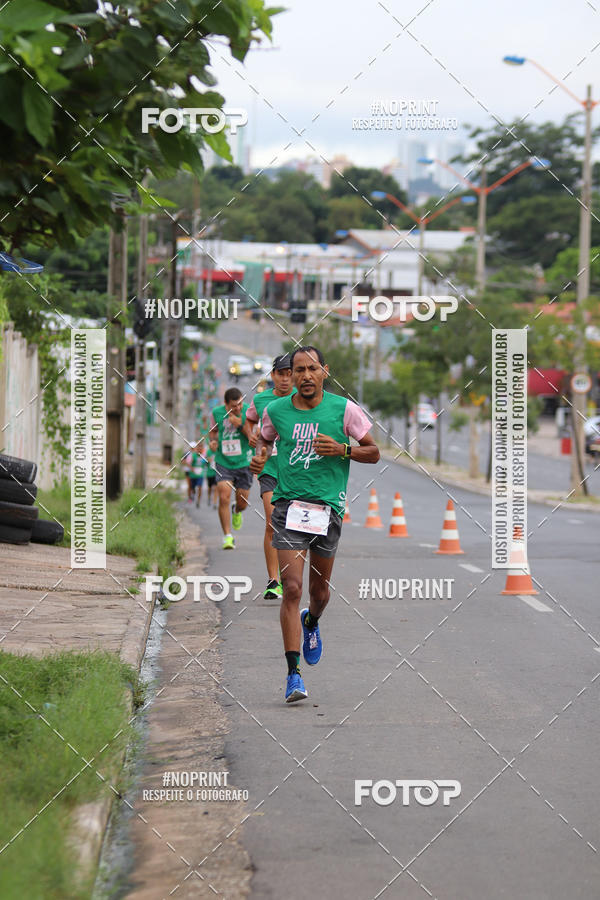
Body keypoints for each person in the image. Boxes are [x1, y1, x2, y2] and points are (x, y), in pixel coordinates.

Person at [250, 346, 379, 703]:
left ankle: (311, 620)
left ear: (325, 371)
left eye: (312, 369)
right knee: (291, 588)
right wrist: (260, 455)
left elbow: (374, 451)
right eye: (298, 370)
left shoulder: (344, 410)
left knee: (318, 594)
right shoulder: (276, 410)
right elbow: (264, 437)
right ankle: (293, 675)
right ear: (289, 375)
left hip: (327, 509)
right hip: (288, 505)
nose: (305, 376)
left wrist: (343, 450)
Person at [244, 354, 294, 600]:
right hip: (268, 466)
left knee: (293, 525)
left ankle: (289, 575)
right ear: (273, 375)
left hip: (294, 468)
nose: (285, 379)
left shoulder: (300, 401)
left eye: (289, 374)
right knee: (273, 520)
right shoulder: (260, 399)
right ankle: (274, 580)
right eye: (280, 374)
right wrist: (251, 436)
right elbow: (249, 421)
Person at [209, 387, 253, 550]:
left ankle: (237, 510)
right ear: (226, 405)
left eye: (240, 404)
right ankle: (227, 536)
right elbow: (213, 432)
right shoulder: (216, 413)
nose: (238, 408)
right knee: (224, 495)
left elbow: (253, 437)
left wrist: (240, 424)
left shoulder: (249, 412)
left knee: (242, 503)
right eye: (234, 406)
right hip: (224, 461)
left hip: (244, 461)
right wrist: (212, 442)